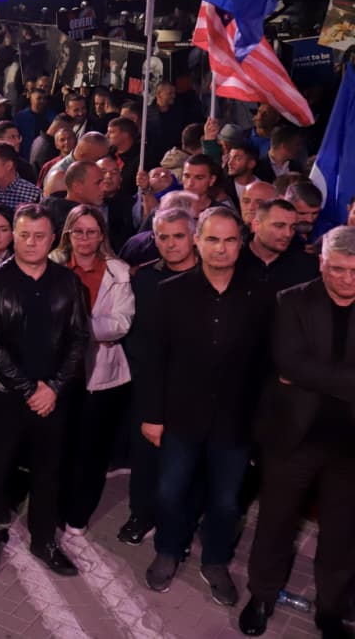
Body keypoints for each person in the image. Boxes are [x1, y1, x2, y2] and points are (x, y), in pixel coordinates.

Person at [142, 207, 274, 607]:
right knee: (168, 493)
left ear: (241, 243)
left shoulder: (260, 295)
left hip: (235, 421)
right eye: (212, 239)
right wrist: (152, 414)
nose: (221, 248)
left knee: (225, 501)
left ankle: (215, 561)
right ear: (197, 241)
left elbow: (267, 366)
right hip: (180, 416)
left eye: (230, 240)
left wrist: (261, 425)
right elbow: (154, 359)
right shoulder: (170, 292)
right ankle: (168, 549)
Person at [239, 226, 355, 639]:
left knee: (343, 533)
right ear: (321, 262)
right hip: (294, 438)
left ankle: (330, 610)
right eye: (338, 269)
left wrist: (312, 376)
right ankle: (262, 596)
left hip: (350, 447)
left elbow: (304, 371)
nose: (347, 279)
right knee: (275, 523)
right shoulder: (293, 301)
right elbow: (289, 364)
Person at [0, 204, 89, 580]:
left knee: (48, 473)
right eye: (23, 234)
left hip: (53, 398)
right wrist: (28, 390)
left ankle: (44, 540)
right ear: (13, 235)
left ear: (53, 238)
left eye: (39, 236)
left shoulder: (67, 282)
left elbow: (79, 339)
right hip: (4, 397)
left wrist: (53, 388)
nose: (30, 243)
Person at [49, 205, 134, 534]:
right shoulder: (52, 265)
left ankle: (78, 515)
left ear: (102, 235)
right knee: (58, 447)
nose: (84, 238)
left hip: (102, 378)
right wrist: (93, 330)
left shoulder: (118, 271)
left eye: (91, 231)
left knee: (92, 451)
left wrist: (75, 327)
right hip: (59, 375)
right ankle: (53, 509)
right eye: (78, 231)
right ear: (67, 234)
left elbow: (121, 323)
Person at [118, 208, 199, 546]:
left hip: (195, 388)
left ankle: (181, 520)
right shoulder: (145, 278)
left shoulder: (213, 278)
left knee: (188, 460)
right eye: (162, 237)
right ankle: (141, 513)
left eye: (178, 236)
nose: (170, 244)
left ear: (194, 236)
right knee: (145, 455)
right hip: (149, 382)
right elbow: (134, 332)